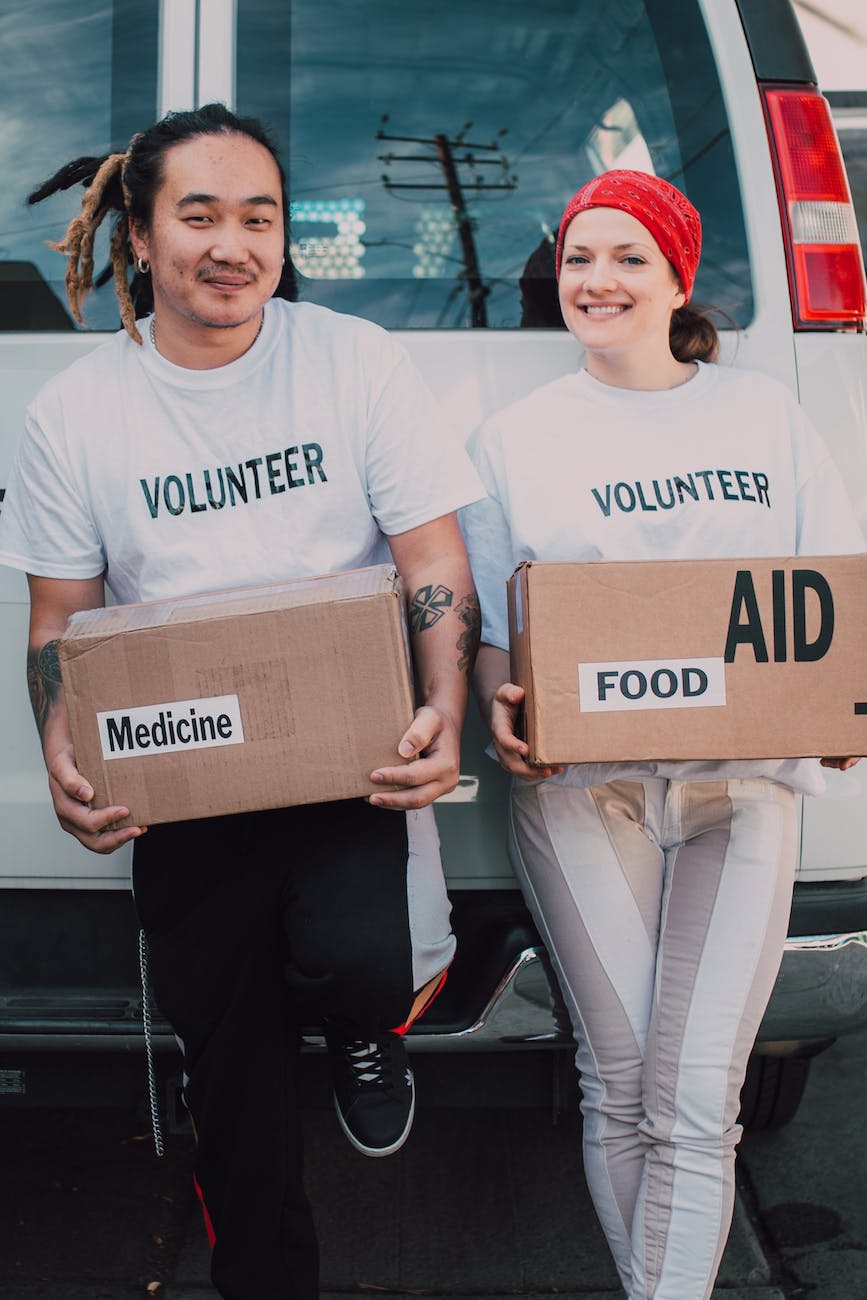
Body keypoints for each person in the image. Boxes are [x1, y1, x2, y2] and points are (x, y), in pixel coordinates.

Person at [0, 103, 484, 1300]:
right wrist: (65, 750)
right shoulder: (75, 414)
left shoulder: (353, 359)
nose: (233, 244)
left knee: (365, 963)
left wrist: (445, 711)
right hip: (185, 775)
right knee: (235, 1083)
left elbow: (432, 556)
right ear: (142, 235)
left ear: (283, 233)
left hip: (346, 759)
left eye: (257, 216)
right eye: (200, 215)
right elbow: (60, 621)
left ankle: (370, 1026)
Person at [459, 169, 864, 1300]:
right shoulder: (516, 438)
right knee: (623, 1073)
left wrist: (842, 707)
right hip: (587, 791)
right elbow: (501, 628)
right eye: (580, 259)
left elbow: (831, 594)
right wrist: (501, 700)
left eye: (630, 257)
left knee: (694, 1093)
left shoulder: (763, 416)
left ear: (678, 277)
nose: (600, 280)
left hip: (746, 788)